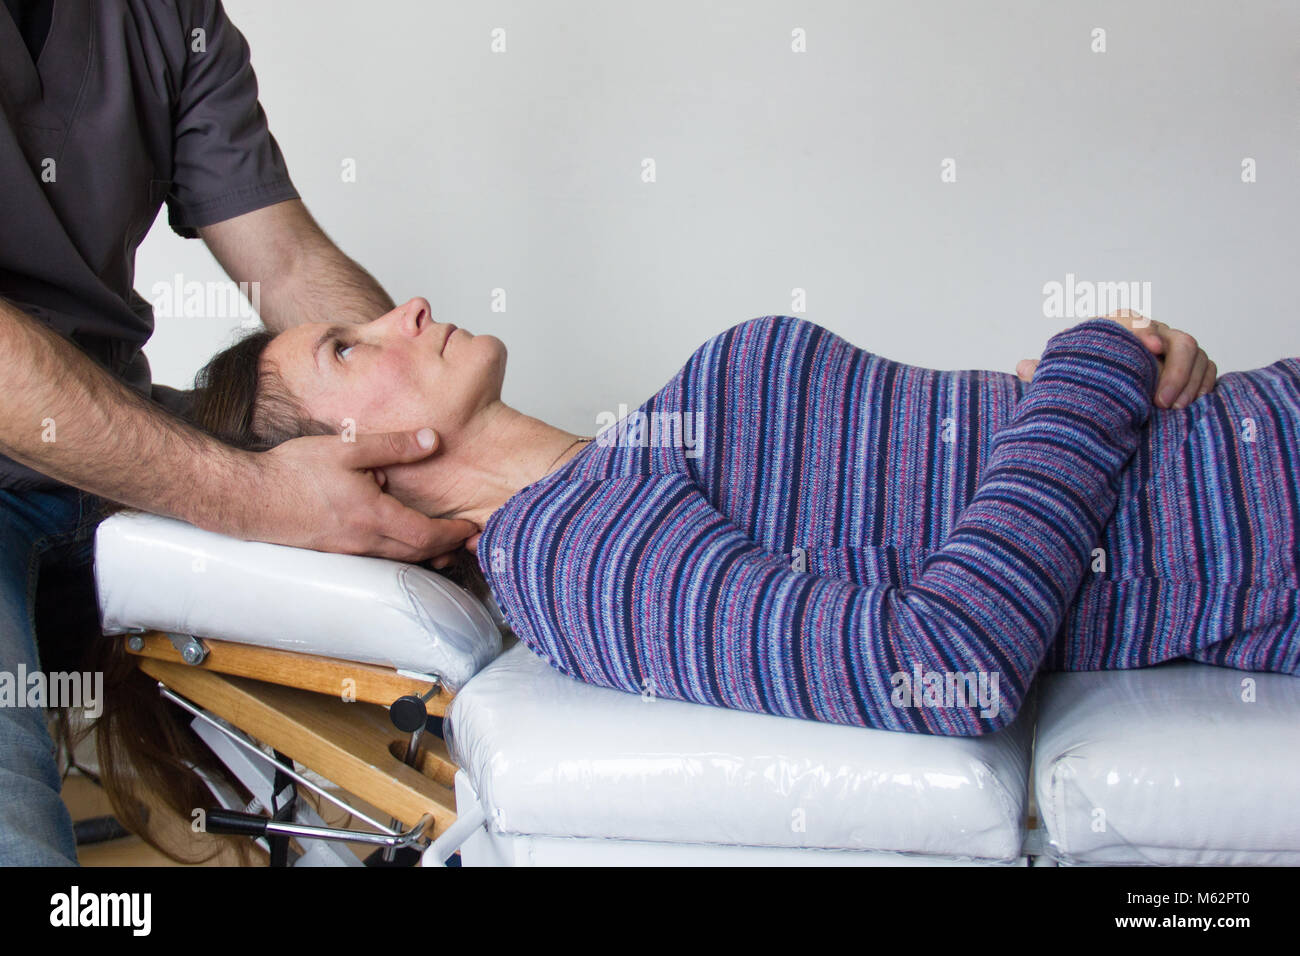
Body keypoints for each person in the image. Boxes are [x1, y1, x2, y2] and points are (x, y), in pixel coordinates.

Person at [183, 300, 1299, 740]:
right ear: (337, 469)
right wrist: (1088, 374)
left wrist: (1110, 383)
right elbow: (945, 663)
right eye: (347, 348)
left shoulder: (616, 470)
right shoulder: (571, 560)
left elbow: (945, 481)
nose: (402, 310)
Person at [0, 0, 474, 865]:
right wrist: (255, 495)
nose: (417, 317)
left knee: (313, 429)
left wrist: (419, 447)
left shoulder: (167, 17)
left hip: (109, 435)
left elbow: (284, 260)